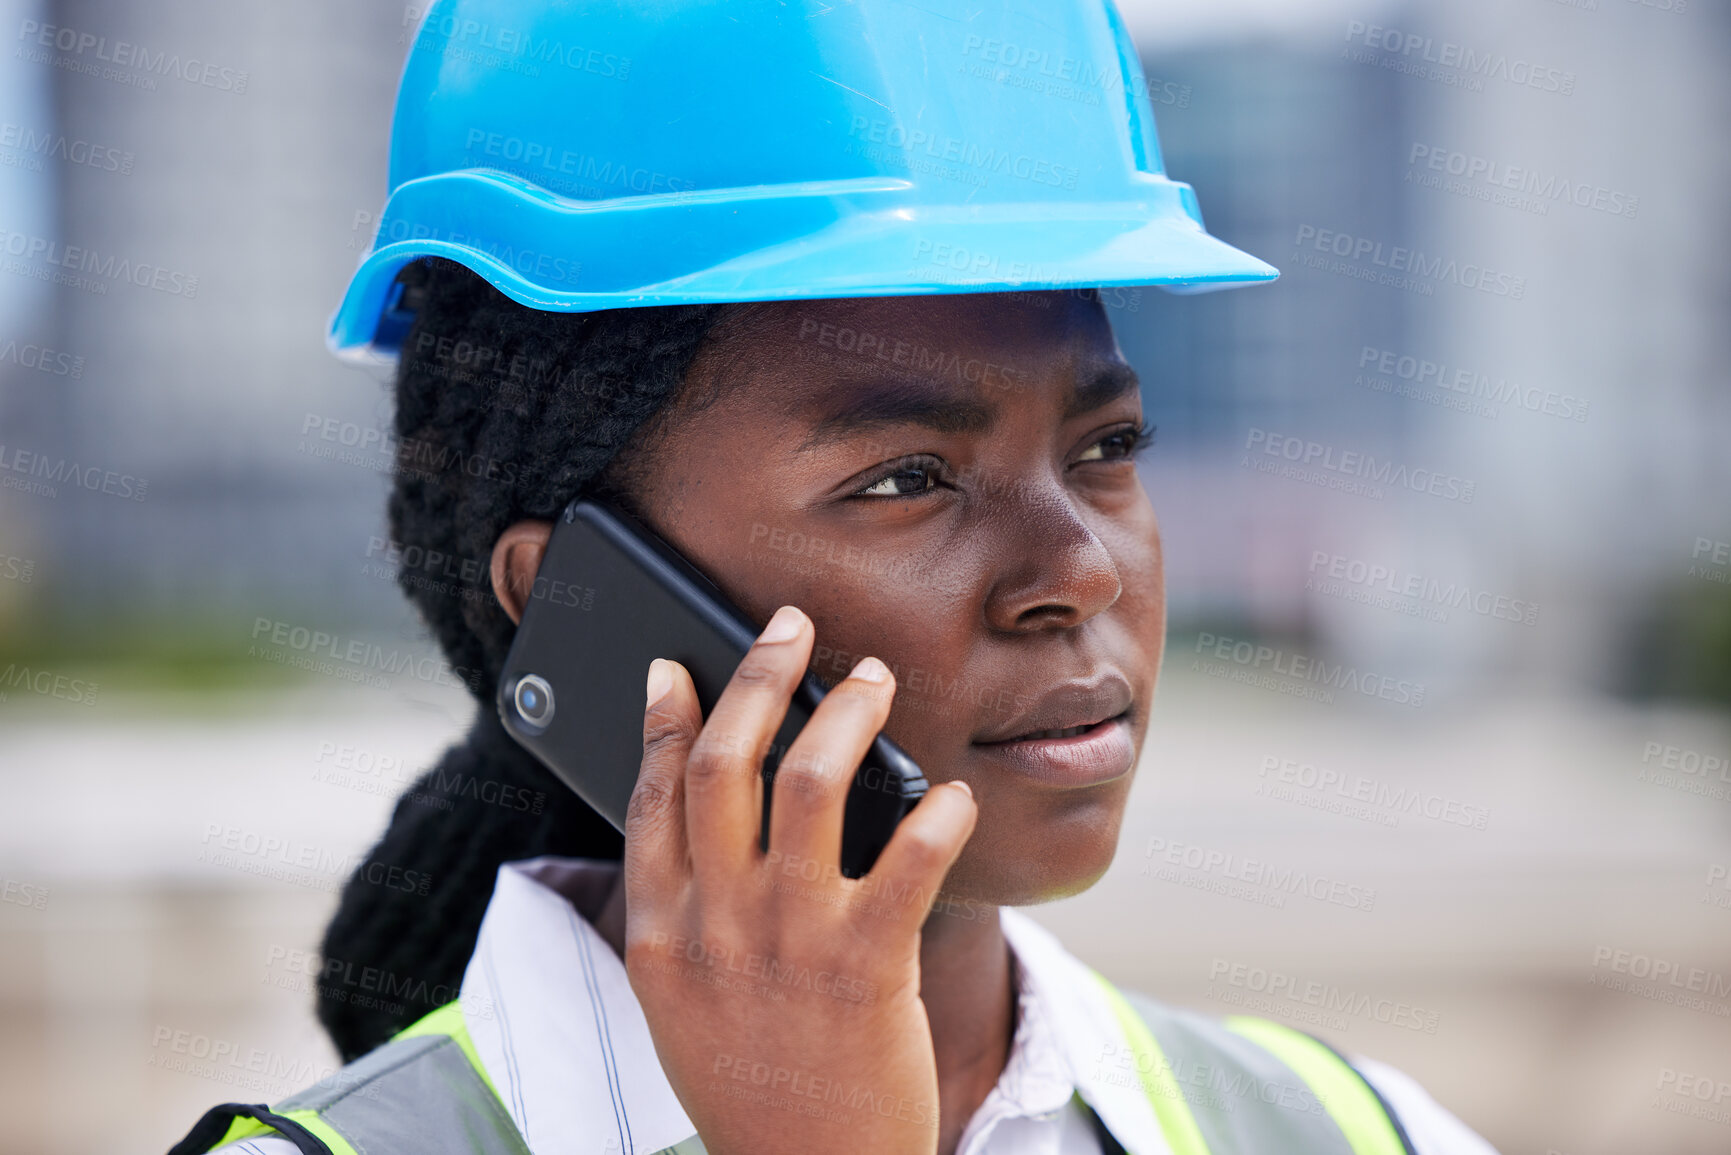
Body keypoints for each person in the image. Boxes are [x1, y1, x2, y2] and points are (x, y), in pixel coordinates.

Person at [169, 2, 1501, 1153]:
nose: (1082, 570)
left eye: (1108, 448)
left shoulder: (1351, 1130)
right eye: (906, 478)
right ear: (570, 601)